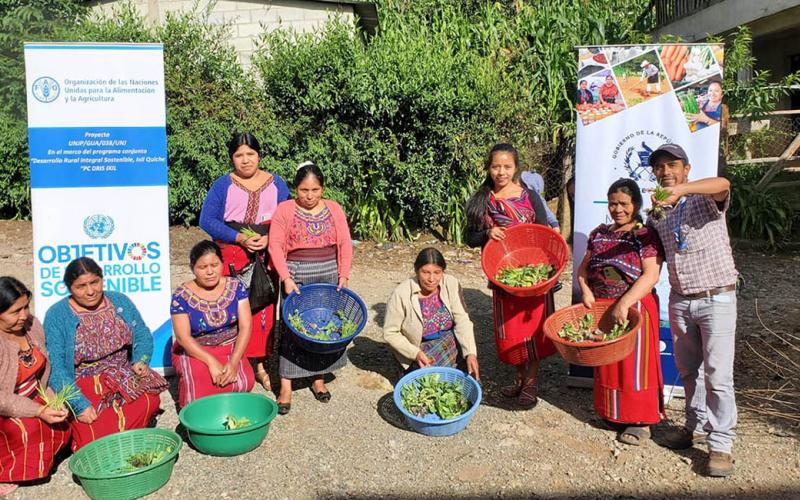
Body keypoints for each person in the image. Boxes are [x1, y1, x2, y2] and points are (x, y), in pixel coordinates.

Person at [647, 143, 739, 477]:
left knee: (718, 376)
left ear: (686, 168)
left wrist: (681, 191)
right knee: (688, 371)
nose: (666, 172)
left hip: (717, 298)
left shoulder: (704, 198)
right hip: (681, 299)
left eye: (673, 165)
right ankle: (695, 427)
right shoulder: (658, 212)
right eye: (659, 167)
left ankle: (721, 445)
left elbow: (723, 185)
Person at [465, 143, 554, 409]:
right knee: (513, 331)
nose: (501, 172)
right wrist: (487, 234)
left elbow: (544, 230)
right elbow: (469, 237)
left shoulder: (530, 196)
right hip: (504, 276)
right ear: (488, 168)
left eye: (507, 166)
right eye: (495, 166)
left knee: (533, 329)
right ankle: (518, 377)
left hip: (534, 274)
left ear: (516, 168)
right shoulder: (483, 199)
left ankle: (531, 382)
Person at [44, 257, 167, 451]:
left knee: (148, 400)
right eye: (81, 286)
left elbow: (142, 334)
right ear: (69, 287)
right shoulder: (57, 315)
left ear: (102, 278)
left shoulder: (119, 301)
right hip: (83, 381)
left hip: (123, 373)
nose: (90, 291)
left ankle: (124, 440)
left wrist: (140, 360)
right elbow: (56, 367)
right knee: (92, 429)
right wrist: (79, 404)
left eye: (95, 282)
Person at [199, 132, 290, 391]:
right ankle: (236, 362)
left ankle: (260, 364)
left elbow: (286, 217)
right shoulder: (223, 185)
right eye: (239, 155)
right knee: (235, 308)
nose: (246, 160)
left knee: (264, 308)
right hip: (232, 256)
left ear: (259, 155)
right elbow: (207, 220)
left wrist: (271, 236)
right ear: (231, 158)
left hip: (266, 255)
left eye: (250, 154)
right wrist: (238, 237)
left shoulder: (276, 184)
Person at [577, 179, 664, 445]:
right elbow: (583, 269)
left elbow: (652, 275)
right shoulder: (599, 234)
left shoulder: (644, 235)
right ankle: (612, 413)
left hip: (635, 308)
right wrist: (586, 290)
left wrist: (624, 303)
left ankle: (640, 421)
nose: (618, 209)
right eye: (613, 203)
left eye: (624, 204)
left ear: (636, 204)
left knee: (634, 367)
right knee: (609, 364)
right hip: (604, 307)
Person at [268, 162, 353, 415]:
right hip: (297, 276)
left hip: (328, 274)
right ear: (296, 189)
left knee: (323, 327)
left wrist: (344, 275)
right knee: (293, 328)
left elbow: (345, 243)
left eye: (315, 190)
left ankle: (318, 378)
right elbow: (275, 246)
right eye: (304, 190)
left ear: (322, 189)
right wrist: (285, 277)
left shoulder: (334, 209)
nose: (309, 196)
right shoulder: (285, 210)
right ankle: (286, 385)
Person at [0, 277, 70, 496]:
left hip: (34, 394)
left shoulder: (32, 325)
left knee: (65, 418)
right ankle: (6, 471)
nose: (24, 315)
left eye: (26, 307)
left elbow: (42, 375)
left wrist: (51, 399)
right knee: (28, 429)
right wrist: (38, 411)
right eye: (15, 311)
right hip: (6, 405)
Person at [171, 241, 255, 407]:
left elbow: (246, 326)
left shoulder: (236, 286)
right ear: (192, 268)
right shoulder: (181, 295)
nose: (210, 272)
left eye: (214, 265)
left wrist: (234, 361)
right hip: (195, 350)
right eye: (202, 267)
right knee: (201, 383)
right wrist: (211, 362)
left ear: (222, 264)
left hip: (229, 346)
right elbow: (183, 337)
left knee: (244, 381)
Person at [383, 248, 479, 380]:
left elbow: (462, 320)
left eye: (437, 272)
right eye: (426, 272)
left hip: (448, 341)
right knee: (428, 387)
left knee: (466, 380)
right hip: (419, 348)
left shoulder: (451, 284)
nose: (431, 279)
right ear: (416, 271)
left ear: (443, 272)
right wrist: (415, 353)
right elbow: (390, 333)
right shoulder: (401, 293)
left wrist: (470, 353)